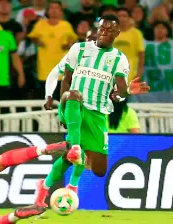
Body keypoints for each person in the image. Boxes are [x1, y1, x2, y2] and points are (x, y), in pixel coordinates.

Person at [34, 14, 150, 207]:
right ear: (98, 28)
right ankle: (73, 170)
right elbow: (64, 78)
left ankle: (46, 184)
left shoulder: (119, 59)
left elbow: (120, 93)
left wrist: (128, 90)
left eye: (109, 30)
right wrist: (54, 100)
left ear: (117, 33)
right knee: (74, 96)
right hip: (72, 106)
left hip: (97, 113)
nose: (104, 32)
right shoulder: (78, 49)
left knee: (98, 168)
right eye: (102, 28)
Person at [44, 27, 97, 110]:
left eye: (94, 39)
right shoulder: (75, 54)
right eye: (89, 39)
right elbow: (53, 74)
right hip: (75, 104)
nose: (91, 43)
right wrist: (49, 95)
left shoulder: (111, 56)